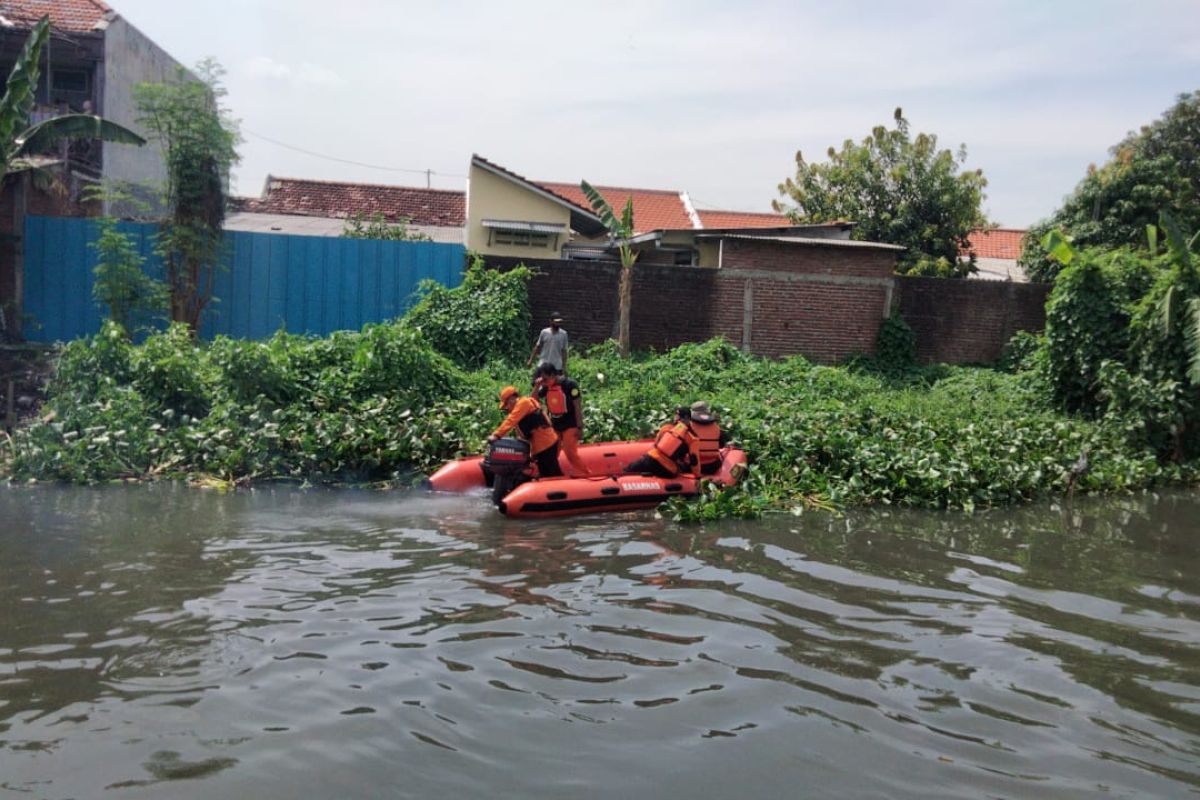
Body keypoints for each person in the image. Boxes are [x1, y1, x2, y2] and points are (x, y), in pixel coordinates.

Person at [488, 385, 563, 478]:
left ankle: (564, 489)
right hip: (542, 445)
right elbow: (525, 435)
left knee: (552, 473)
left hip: (546, 444)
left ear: (512, 399)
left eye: (506, 404)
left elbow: (511, 420)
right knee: (546, 472)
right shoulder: (523, 406)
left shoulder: (523, 403)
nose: (507, 408)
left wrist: (496, 435)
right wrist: (532, 453)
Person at [534, 362, 588, 477]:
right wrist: (537, 386)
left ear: (553, 375)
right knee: (551, 453)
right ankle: (554, 475)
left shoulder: (570, 385)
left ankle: (586, 474)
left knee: (570, 452)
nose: (544, 382)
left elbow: (577, 406)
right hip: (555, 426)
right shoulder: (547, 387)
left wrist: (580, 427)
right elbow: (533, 401)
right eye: (542, 379)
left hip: (570, 424)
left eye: (545, 379)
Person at [624, 407, 698, 479]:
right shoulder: (691, 436)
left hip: (652, 460)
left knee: (629, 470)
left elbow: (656, 444)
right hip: (668, 470)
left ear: (677, 417)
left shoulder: (666, 428)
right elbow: (691, 458)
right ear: (688, 418)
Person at [684, 400, 730, 476]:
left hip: (690, 466)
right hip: (712, 466)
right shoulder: (716, 427)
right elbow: (721, 445)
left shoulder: (687, 426)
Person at [527, 312, 569, 378]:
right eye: (556, 322)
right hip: (543, 363)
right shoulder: (544, 332)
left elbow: (564, 351)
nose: (558, 324)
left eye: (559, 322)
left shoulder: (563, 334)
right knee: (536, 383)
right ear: (551, 321)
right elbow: (537, 347)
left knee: (555, 386)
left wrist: (564, 367)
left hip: (556, 366)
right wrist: (531, 360)